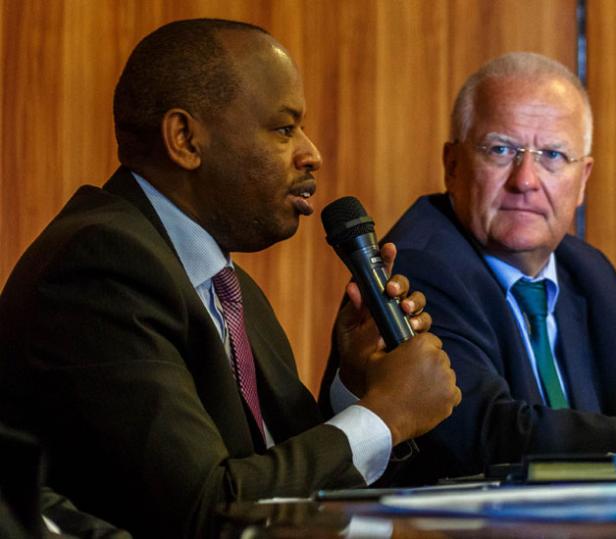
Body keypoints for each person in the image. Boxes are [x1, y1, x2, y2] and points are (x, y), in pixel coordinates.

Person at [0, 18, 461, 538]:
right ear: (185, 139)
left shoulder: (225, 284)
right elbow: (209, 515)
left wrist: (358, 389)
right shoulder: (99, 266)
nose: (312, 153)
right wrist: (386, 415)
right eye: (284, 129)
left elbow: (283, 479)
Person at [324, 52, 616, 484]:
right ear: (452, 165)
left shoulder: (587, 273)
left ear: (583, 179)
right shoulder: (417, 266)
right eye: (501, 150)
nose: (526, 180)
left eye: (552, 155)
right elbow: (487, 435)